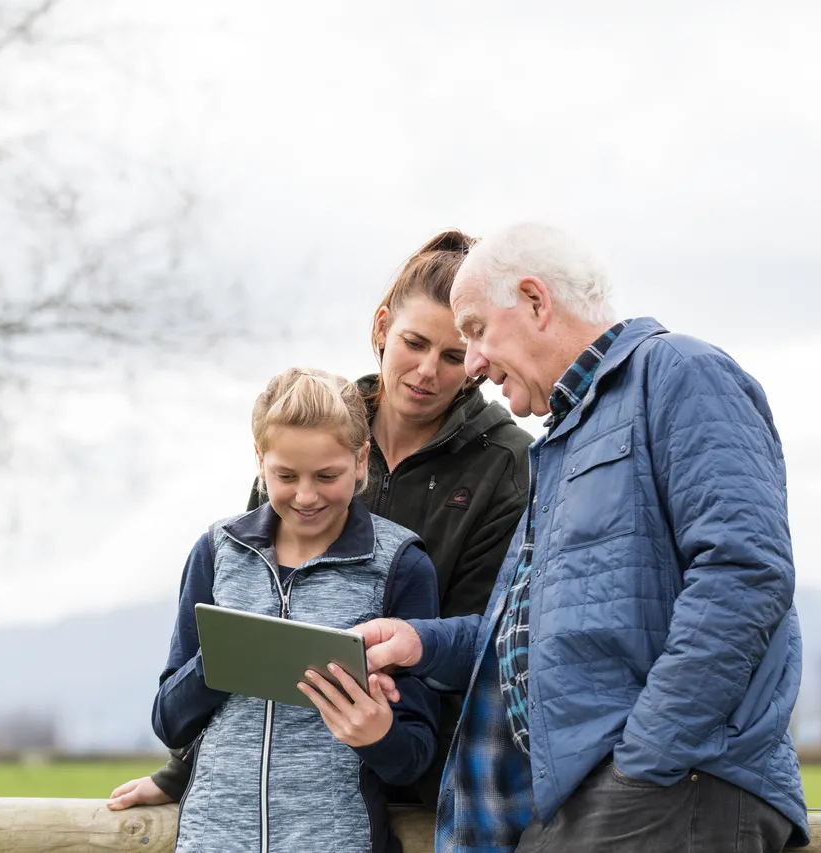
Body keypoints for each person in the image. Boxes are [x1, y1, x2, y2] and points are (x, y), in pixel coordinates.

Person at [359, 222, 809, 852]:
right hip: (595, 800)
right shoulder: (564, 443)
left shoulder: (679, 371)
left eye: (477, 331)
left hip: (671, 792)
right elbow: (535, 638)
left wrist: (645, 763)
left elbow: (745, 573)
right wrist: (420, 644)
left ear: (537, 302)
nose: (477, 366)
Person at [109, 230, 533, 811]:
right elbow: (250, 619)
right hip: (284, 781)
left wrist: (398, 747)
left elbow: (480, 638)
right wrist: (182, 771)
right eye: (413, 342)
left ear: (477, 360)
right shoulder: (312, 434)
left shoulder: (505, 466)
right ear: (383, 327)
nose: (428, 370)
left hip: (422, 774)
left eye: (453, 355)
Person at [152, 367, 439, 853]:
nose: (306, 496)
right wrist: (227, 656)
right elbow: (169, 721)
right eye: (286, 476)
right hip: (211, 840)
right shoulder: (216, 551)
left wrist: (377, 733)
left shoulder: (401, 565)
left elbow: (415, 755)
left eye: (328, 476)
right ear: (260, 461)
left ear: (362, 459)